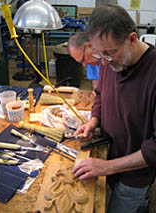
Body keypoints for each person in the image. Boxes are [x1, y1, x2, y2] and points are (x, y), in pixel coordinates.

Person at [72, 4, 156, 213]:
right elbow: (100, 93)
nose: (105, 63)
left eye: (109, 54)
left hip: (133, 176)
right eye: (100, 56)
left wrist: (108, 167)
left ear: (132, 39)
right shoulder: (110, 61)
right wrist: (94, 120)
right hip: (108, 154)